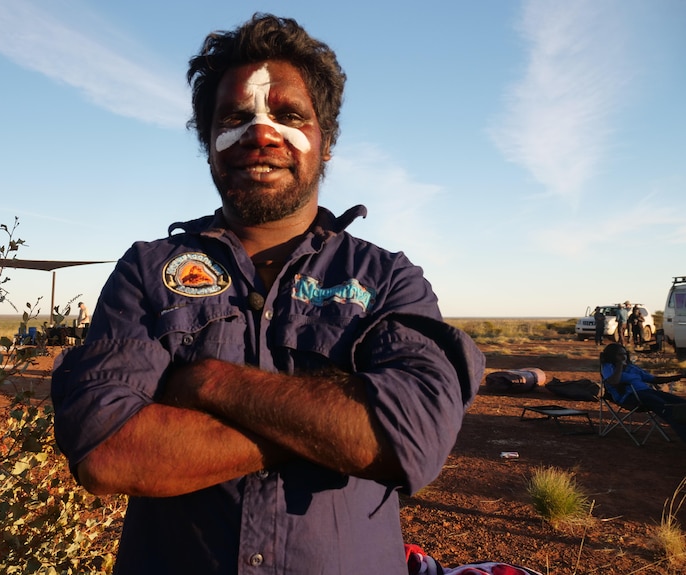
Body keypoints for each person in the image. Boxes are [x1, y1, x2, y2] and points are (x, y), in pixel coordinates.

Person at [52, 14, 484, 575]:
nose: (261, 134)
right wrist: (329, 426)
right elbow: (107, 452)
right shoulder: (146, 271)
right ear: (207, 144)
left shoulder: (388, 280)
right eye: (235, 118)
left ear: (325, 143)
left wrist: (207, 382)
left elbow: (411, 437)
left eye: (288, 116)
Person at [600, 343, 686, 442]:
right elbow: (613, 382)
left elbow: (653, 379)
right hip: (629, 396)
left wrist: (676, 377)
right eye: (619, 354)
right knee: (667, 409)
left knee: (680, 403)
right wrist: (619, 366)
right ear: (612, 356)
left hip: (647, 392)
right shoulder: (608, 367)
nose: (623, 356)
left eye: (624, 354)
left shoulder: (632, 368)